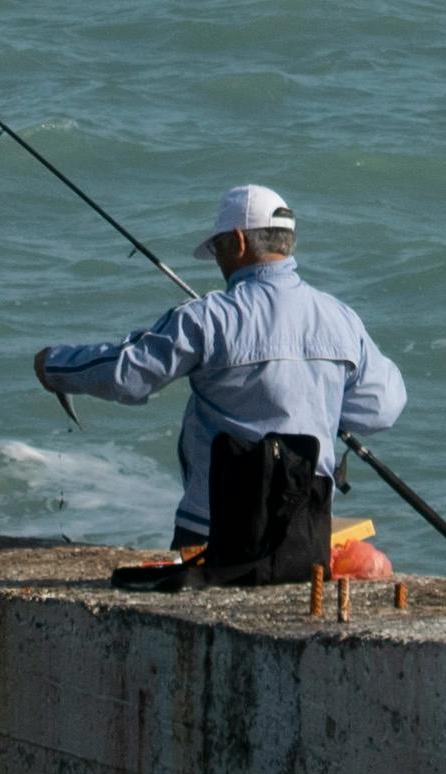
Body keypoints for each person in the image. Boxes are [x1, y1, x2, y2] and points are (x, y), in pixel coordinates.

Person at [33, 185, 406, 584]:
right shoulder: (341, 318)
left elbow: (128, 375)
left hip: (215, 529)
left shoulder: (207, 317)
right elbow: (382, 406)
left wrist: (53, 365)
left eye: (218, 249)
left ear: (239, 241)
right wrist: (318, 401)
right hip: (305, 529)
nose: (218, 262)